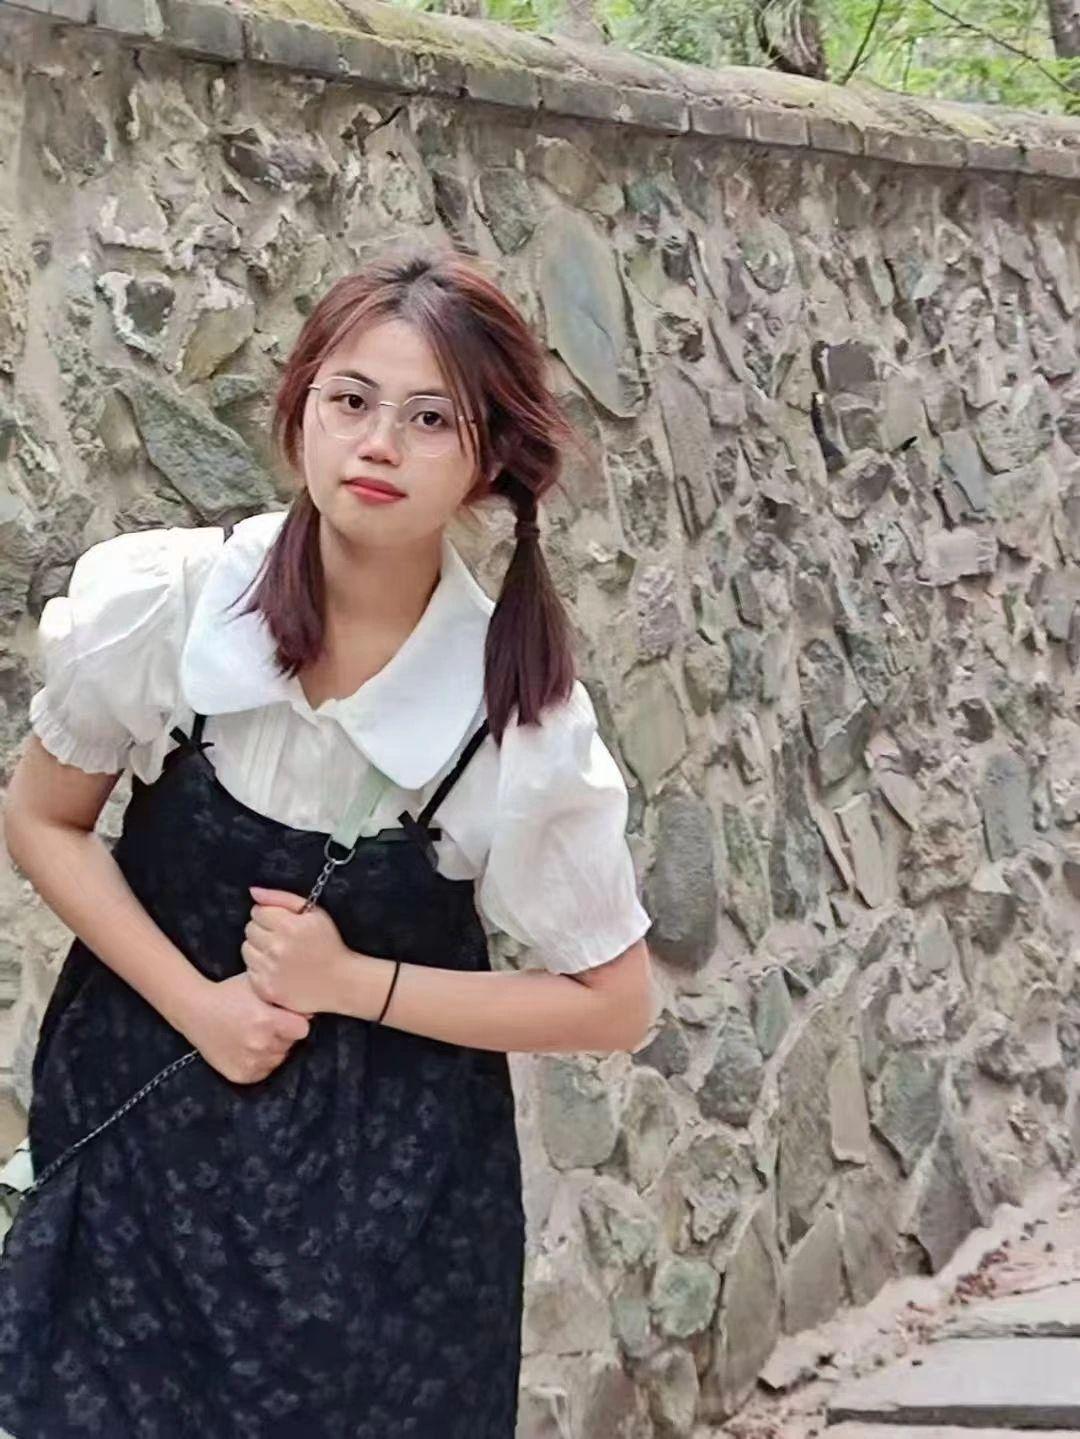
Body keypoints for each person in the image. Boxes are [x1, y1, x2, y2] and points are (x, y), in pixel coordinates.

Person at [0, 249, 655, 1437]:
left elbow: (614, 1001)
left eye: (430, 418)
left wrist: (354, 982)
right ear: (301, 407)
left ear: (488, 458)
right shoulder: (174, 603)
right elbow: (42, 818)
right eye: (351, 400)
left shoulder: (514, 717)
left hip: (387, 1203)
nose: (378, 444)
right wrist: (201, 1005)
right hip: (141, 1138)